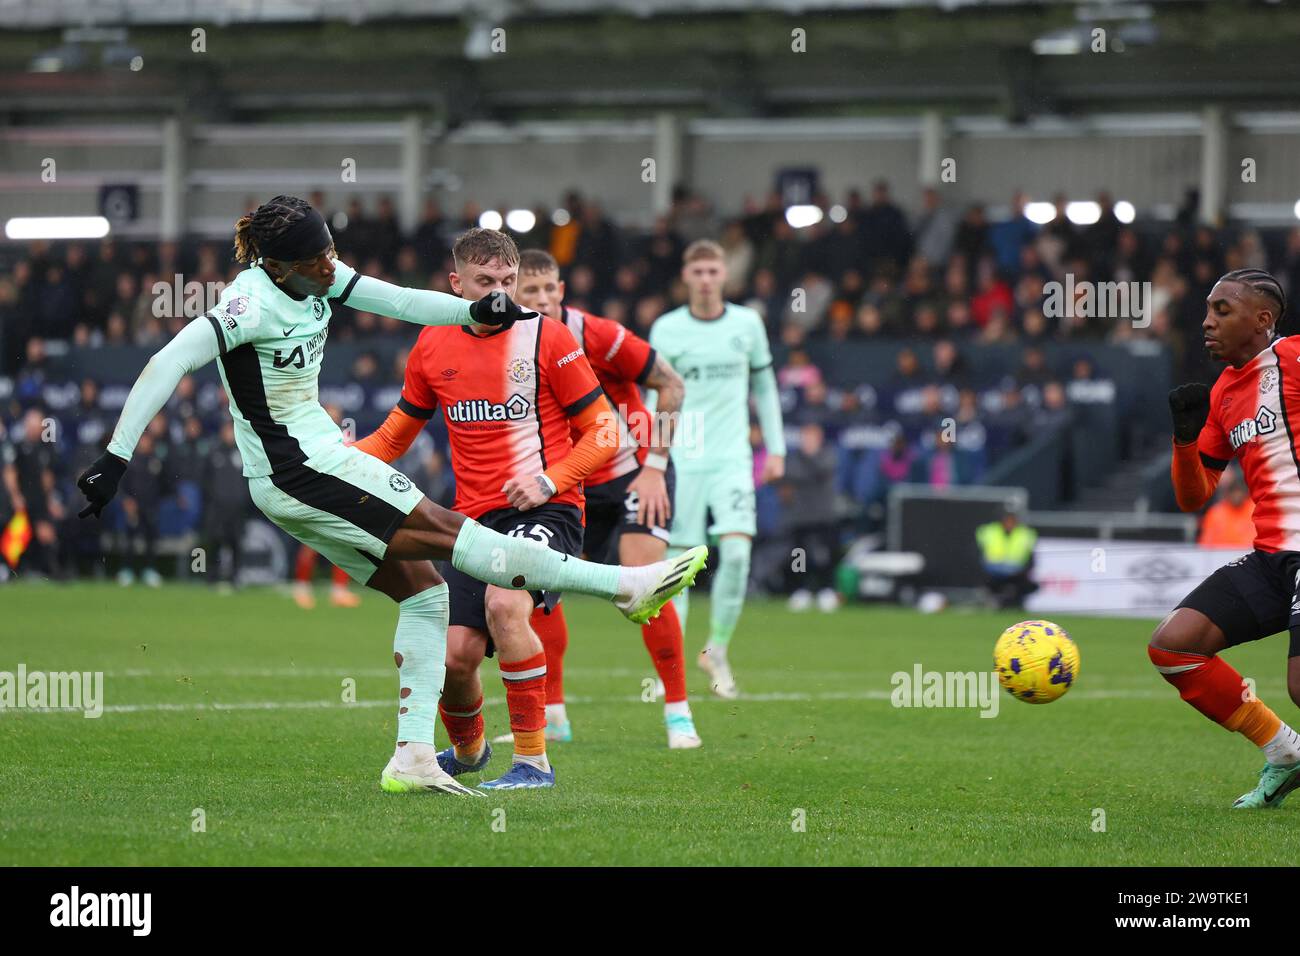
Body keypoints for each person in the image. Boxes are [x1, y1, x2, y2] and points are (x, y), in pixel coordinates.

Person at [74, 196, 708, 798]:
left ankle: (412, 759)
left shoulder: (323, 278)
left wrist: (471, 313)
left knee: (427, 595)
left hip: (313, 466)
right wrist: (116, 455)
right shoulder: (248, 307)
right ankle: (623, 587)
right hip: (302, 467)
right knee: (459, 539)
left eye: (331, 253)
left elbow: (398, 300)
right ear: (278, 264)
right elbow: (167, 361)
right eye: (318, 260)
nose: (331, 267)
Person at [353, 228, 671, 789]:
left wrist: (552, 480)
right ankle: (470, 752)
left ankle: (533, 763)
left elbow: (603, 431)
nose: (500, 293)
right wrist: (328, 462)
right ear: (456, 284)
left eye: (507, 281)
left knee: (506, 604)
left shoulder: (546, 337)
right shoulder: (431, 344)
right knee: (453, 656)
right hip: (469, 521)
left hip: (547, 511)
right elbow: (395, 436)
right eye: (485, 282)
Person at [508, 249, 700, 749]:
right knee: (543, 592)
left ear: (563, 290)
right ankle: (553, 717)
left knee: (647, 588)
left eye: (551, 288)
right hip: (572, 487)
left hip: (637, 476)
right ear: (510, 293)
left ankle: (679, 715)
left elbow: (671, 384)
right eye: (531, 291)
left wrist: (655, 467)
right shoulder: (505, 346)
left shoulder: (601, 336)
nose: (544, 299)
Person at [1154, 268, 1300, 809]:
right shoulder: (1223, 394)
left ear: (1262, 320)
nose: (1206, 322)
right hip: (1272, 559)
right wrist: (1185, 440)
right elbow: (1194, 496)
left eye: (1222, 310)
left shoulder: (1295, 358)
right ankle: (1286, 753)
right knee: (1174, 647)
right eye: (1207, 309)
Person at [650, 239, 786, 698]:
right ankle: (675, 667)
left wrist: (777, 448)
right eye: (698, 272)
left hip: (732, 458)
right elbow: (653, 397)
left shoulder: (748, 324)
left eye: (713, 271)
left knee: (738, 553)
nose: (706, 280)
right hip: (683, 458)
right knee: (681, 564)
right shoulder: (666, 329)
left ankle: (717, 649)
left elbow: (765, 388)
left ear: (724, 275)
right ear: (686, 277)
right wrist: (651, 456)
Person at [975, 506, 1038, 609]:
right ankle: (994, 603)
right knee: (988, 582)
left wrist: (1021, 571)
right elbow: (977, 554)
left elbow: (1031, 559)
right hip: (993, 572)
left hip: (1017, 572)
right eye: (1007, 519)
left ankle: (1015, 604)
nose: (1009, 522)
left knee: (1027, 585)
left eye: (1012, 519)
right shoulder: (989, 531)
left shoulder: (1025, 534)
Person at [1197, 468, 1255, 550]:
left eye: (1239, 491)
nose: (1236, 495)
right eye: (1233, 491)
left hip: (1250, 558)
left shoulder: (1256, 511)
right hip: (1219, 558)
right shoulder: (1215, 513)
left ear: (1246, 492)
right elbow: (1205, 544)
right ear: (1227, 493)